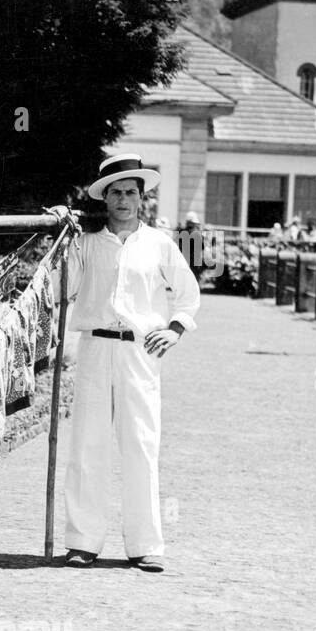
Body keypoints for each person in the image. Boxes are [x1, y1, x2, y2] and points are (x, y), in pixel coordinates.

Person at [54, 153, 200, 573]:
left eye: (130, 193)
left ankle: (145, 544)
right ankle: (82, 542)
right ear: (105, 199)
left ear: (141, 198)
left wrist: (173, 329)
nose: (123, 200)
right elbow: (62, 289)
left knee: (141, 444)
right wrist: (63, 241)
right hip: (97, 348)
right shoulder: (85, 244)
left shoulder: (159, 244)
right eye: (115, 192)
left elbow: (188, 295)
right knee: (87, 445)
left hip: (140, 352)